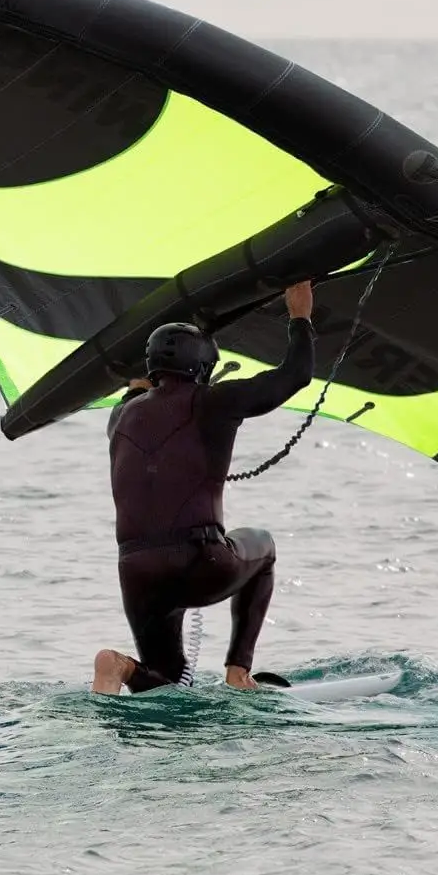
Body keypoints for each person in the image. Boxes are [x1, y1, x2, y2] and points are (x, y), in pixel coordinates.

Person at [90, 280, 316, 695]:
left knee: (164, 683)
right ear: (204, 368)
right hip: (199, 561)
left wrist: (139, 382)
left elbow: (137, 393)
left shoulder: (119, 419)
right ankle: (238, 671)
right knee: (263, 548)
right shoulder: (215, 401)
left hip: (137, 573)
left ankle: (116, 666)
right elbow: (296, 374)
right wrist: (299, 315)